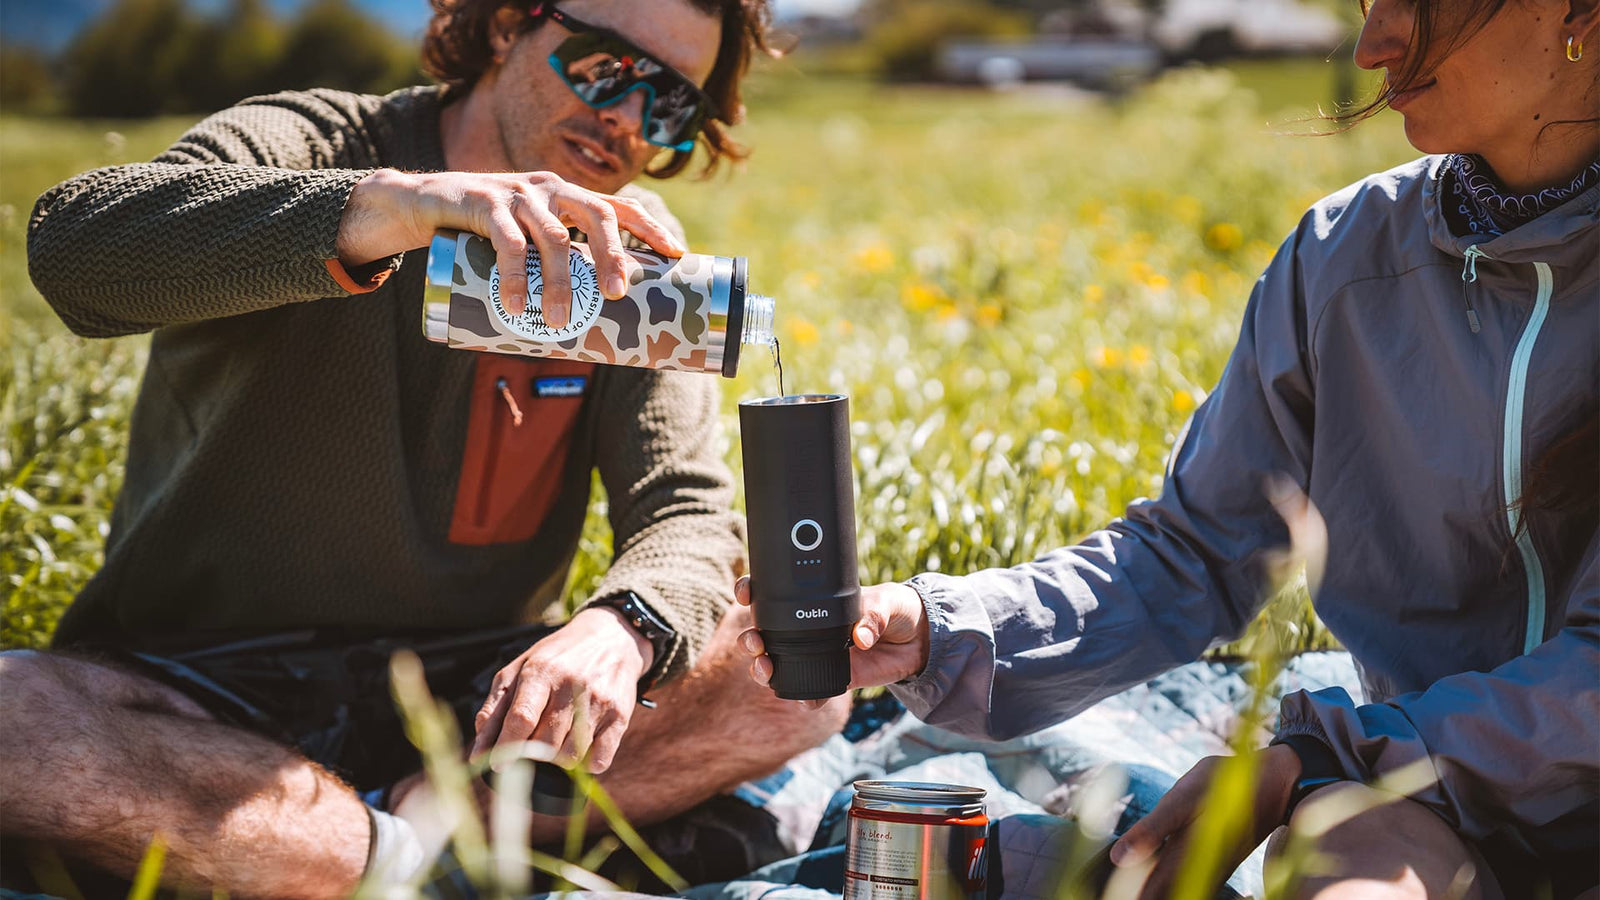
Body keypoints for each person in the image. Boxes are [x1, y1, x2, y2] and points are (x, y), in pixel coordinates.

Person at [739, 0, 1599, 897]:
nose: (1373, 43)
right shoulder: (1343, 257)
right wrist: (941, 631)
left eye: (1419, 3)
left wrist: (1315, 756)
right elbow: (1191, 552)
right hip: (1407, 807)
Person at [3, 0, 848, 895]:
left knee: (797, 667)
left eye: (672, 103)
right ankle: (436, 857)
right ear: (506, 25)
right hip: (202, 693)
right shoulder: (319, 143)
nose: (631, 120)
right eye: (608, 68)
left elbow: (686, 509)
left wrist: (626, 625)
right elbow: (74, 249)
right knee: (16, 715)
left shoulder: (624, 264)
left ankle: (356, 854)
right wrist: (401, 209)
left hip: (481, 704)